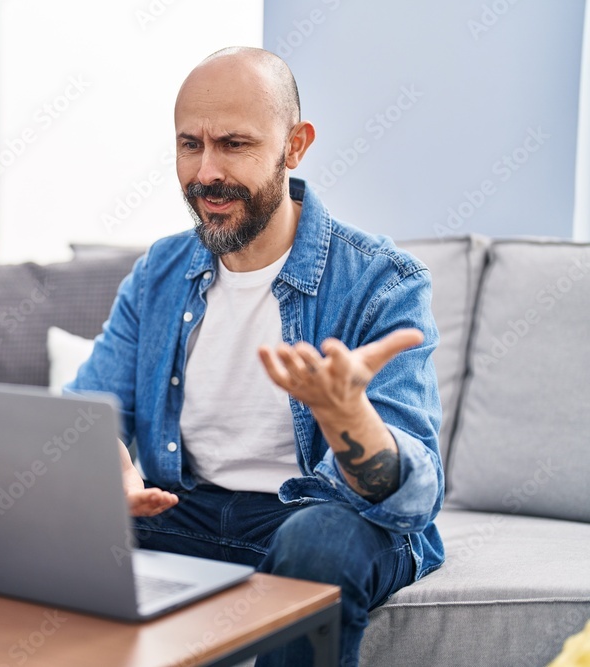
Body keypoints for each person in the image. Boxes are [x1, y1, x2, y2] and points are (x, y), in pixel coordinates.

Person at [65, 46, 444, 667]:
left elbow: (410, 500)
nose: (206, 172)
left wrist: (349, 418)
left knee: (318, 542)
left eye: (235, 144)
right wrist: (110, 471)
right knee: (40, 522)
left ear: (294, 146)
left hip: (324, 514)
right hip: (186, 512)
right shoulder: (160, 271)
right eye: (191, 145)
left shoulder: (382, 281)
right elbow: (86, 413)